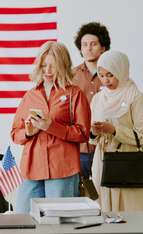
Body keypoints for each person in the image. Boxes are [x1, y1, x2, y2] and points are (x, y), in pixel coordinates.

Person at [11, 41, 91, 213]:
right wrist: (28, 132)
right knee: (23, 221)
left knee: (59, 224)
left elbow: (84, 134)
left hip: (62, 169)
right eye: (43, 65)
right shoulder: (30, 95)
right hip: (31, 169)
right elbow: (15, 134)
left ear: (63, 66)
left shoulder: (74, 94)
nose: (47, 71)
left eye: (53, 66)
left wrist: (51, 126)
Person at [90, 50, 143, 211]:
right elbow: (91, 138)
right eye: (101, 75)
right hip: (102, 163)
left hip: (127, 164)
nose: (105, 80)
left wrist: (114, 131)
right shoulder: (98, 99)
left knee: (129, 213)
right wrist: (94, 133)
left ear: (121, 70)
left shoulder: (135, 97)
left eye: (110, 75)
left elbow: (141, 136)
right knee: (104, 211)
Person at [73, 22, 111, 179]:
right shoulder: (70, 76)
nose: (88, 48)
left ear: (103, 47)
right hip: (78, 148)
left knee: (103, 196)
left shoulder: (113, 75)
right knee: (77, 196)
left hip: (105, 146)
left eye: (93, 44)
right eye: (84, 44)